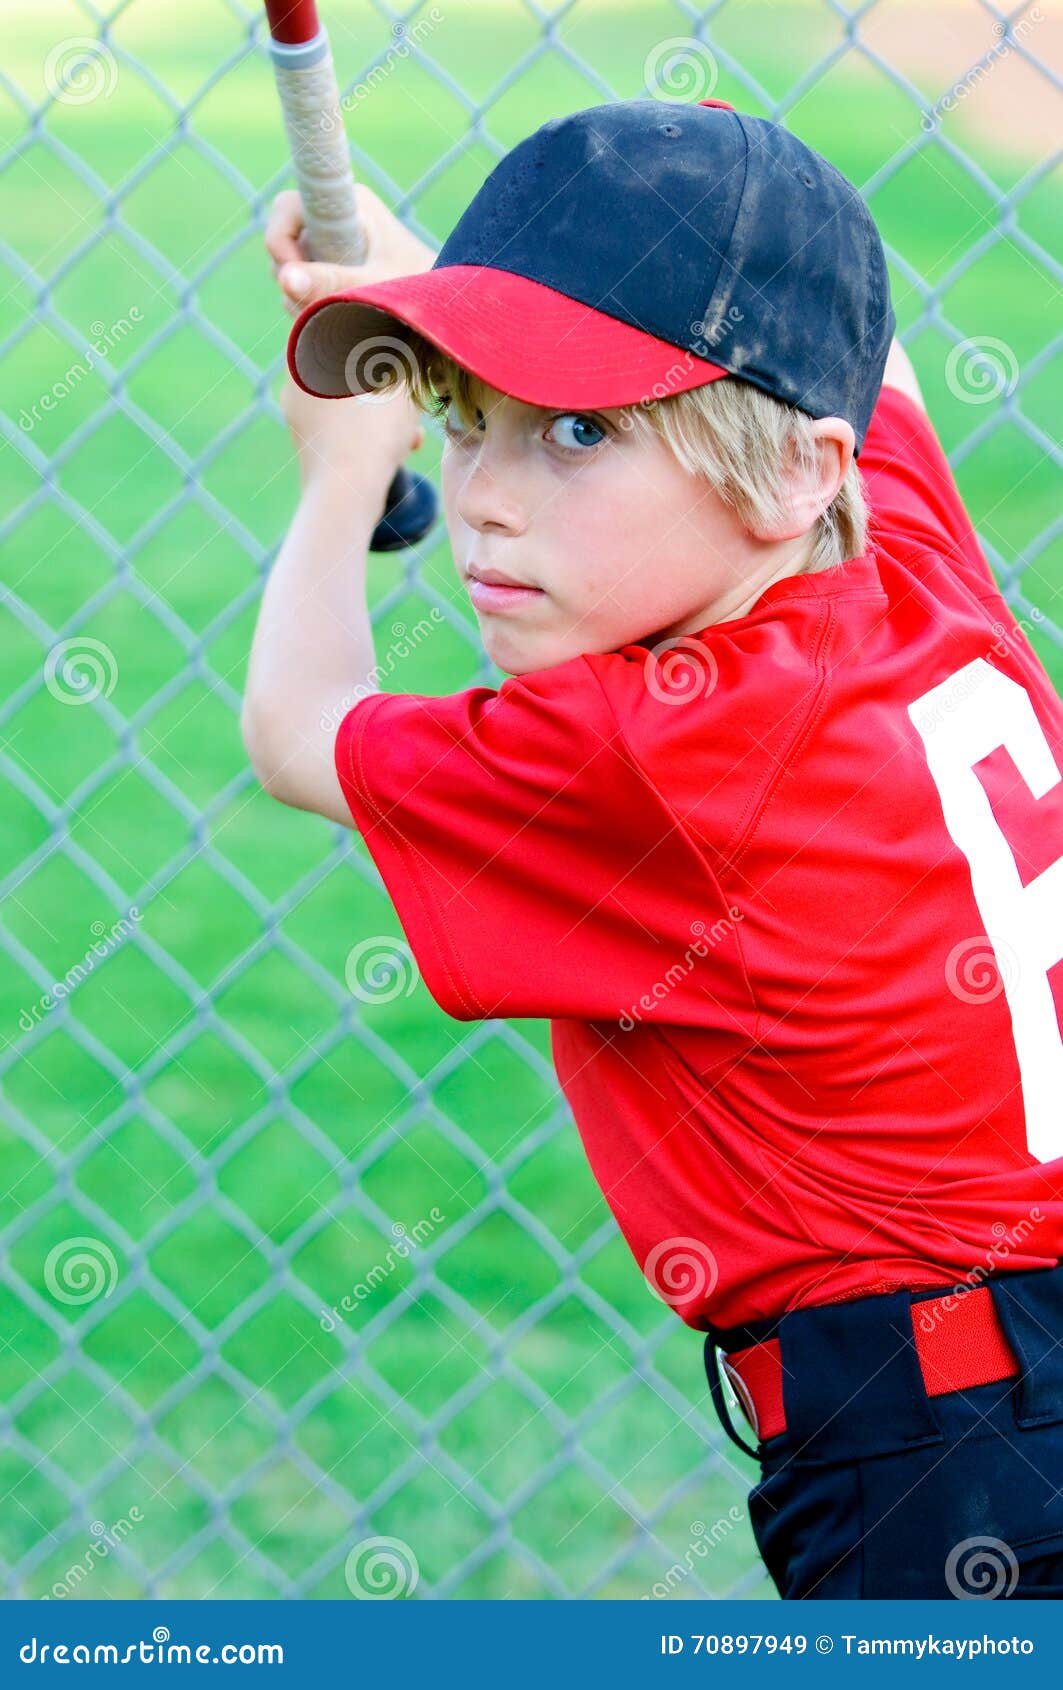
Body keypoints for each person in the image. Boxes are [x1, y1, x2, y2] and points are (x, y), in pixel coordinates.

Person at [243, 97, 1063, 1599]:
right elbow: (863, 359)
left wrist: (339, 476)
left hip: (941, 1479)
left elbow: (303, 730)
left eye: (577, 433)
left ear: (801, 472)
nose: (484, 493)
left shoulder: (655, 748)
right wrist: (478, 296)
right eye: (463, 413)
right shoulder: (913, 567)